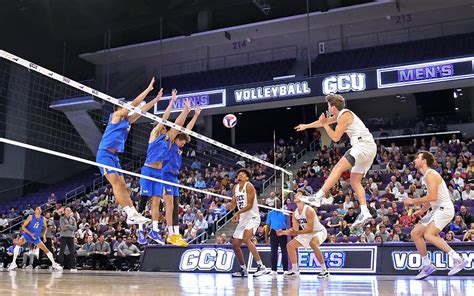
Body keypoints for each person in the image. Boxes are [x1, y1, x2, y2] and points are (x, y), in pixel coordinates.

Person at [295, 94, 376, 228]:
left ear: (333, 107)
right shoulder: (341, 116)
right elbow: (322, 122)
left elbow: (336, 138)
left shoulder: (344, 115)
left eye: (328, 105)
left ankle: (318, 196)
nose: (327, 107)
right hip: (368, 148)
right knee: (355, 181)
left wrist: (326, 125)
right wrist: (306, 126)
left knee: (337, 169)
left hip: (363, 146)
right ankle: (365, 211)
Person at [96, 77, 162, 225]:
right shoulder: (115, 116)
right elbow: (133, 105)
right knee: (116, 184)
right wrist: (148, 90)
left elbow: (141, 111)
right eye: (124, 106)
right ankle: (129, 212)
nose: (127, 107)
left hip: (114, 156)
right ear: (120, 108)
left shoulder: (127, 120)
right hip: (104, 154)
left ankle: (133, 214)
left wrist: (155, 100)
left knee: (124, 185)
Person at [403, 151, 468, 279]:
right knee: (415, 233)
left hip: (444, 209)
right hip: (436, 208)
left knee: (428, 234)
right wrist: (421, 211)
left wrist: (413, 201)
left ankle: (458, 258)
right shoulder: (425, 176)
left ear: (424, 161)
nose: (415, 159)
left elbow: (432, 196)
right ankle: (427, 265)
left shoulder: (430, 175)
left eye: (418, 157)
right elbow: (432, 198)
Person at [138, 90, 189, 245]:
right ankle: (140, 229)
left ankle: (154, 230)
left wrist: (186, 110)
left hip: (159, 172)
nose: (166, 129)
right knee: (143, 200)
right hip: (148, 170)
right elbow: (164, 118)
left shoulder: (168, 139)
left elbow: (178, 124)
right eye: (164, 128)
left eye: (166, 129)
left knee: (155, 202)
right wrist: (172, 102)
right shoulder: (154, 134)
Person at [162, 106, 202, 247]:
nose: (183, 144)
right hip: (165, 176)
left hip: (174, 178)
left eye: (184, 143)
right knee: (170, 206)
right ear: (176, 138)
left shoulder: (179, 147)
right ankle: (170, 234)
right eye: (182, 142)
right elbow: (180, 128)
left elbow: (187, 131)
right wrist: (186, 111)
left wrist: (196, 115)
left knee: (175, 206)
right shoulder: (171, 143)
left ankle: (176, 234)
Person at [227, 169, 269, 277]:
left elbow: (249, 206)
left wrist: (238, 213)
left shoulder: (249, 186)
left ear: (247, 178)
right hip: (243, 219)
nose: (239, 175)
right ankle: (243, 270)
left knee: (246, 239)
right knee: (235, 244)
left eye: (242, 174)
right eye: (238, 174)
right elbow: (234, 203)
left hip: (253, 217)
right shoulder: (235, 187)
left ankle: (261, 266)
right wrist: (230, 207)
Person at [280, 191, 329, 278]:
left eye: (298, 194)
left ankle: (324, 270)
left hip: (318, 231)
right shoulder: (295, 213)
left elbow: (309, 229)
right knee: (290, 246)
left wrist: (295, 232)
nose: (295, 195)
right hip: (307, 233)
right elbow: (294, 229)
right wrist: (285, 232)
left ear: (303, 198)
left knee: (313, 243)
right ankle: (295, 270)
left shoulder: (309, 210)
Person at [265, 198, 289, 275]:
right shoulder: (270, 213)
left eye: (278, 202)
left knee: (284, 251)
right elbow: (268, 225)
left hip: (283, 232)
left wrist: (286, 233)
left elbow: (288, 224)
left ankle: (285, 269)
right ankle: (274, 270)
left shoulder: (284, 213)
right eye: (275, 202)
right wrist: (266, 236)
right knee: (273, 251)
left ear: (280, 203)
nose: (276, 203)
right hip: (273, 232)